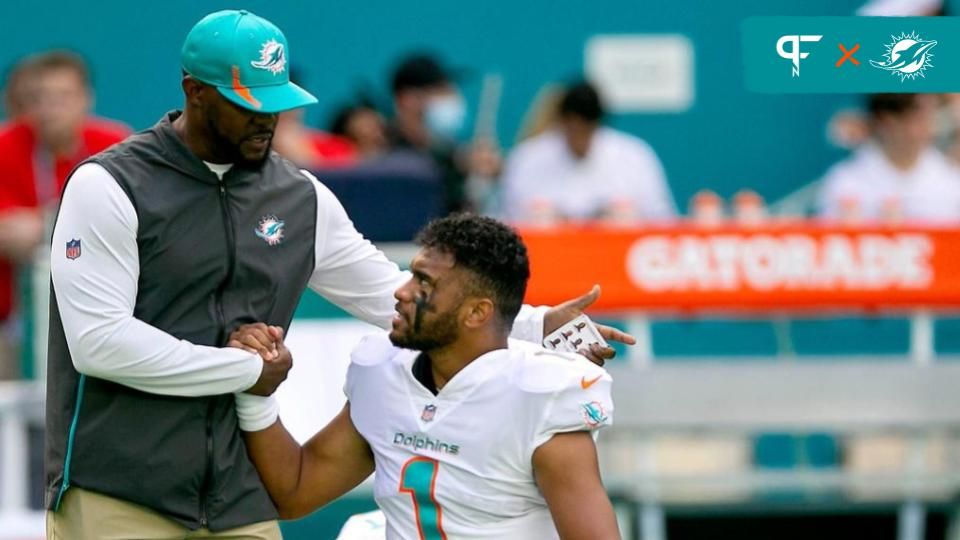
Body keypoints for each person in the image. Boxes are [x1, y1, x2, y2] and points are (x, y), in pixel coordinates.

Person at [45, 10, 633, 539]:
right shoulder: (110, 184)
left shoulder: (299, 195)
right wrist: (248, 370)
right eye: (248, 103)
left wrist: (530, 325)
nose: (266, 120)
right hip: (121, 488)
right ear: (194, 92)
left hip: (236, 495)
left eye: (275, 102)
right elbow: (100, 345)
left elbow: (388, 292)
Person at [233, 214, 621, 540]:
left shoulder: (542, 396)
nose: (401, 292)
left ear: (476, 313)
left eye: (424, 283)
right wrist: (258, 395)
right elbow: (296, 492)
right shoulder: (382, 370)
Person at [0, 51, 129, 380]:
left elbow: (134, 225)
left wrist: (42, 225)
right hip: (13, 321)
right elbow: (10, 237)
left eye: (63, 97)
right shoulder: (7, 145)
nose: (50, 109)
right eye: (40, 98)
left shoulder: (117, 145)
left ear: (86, 98)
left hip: (101, 314)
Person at [501, 80, 676, 226]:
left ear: (597, 124)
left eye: (585, 129)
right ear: (561, 122)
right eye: (572, 128)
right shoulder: (527, 157)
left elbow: (663, 220)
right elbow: (507, 217)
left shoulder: (634, 155)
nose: (578, 137)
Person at [817, 93, 960, 224]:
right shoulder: (844, 182)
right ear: (886, 121)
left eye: (930, 115)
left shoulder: (952, 180)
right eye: (915, 117)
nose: (926, 127)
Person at [386, 52, 501, 213]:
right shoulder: (381, 145)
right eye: (440, 90)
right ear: (407, 98)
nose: (451, 97)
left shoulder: (449, 152)